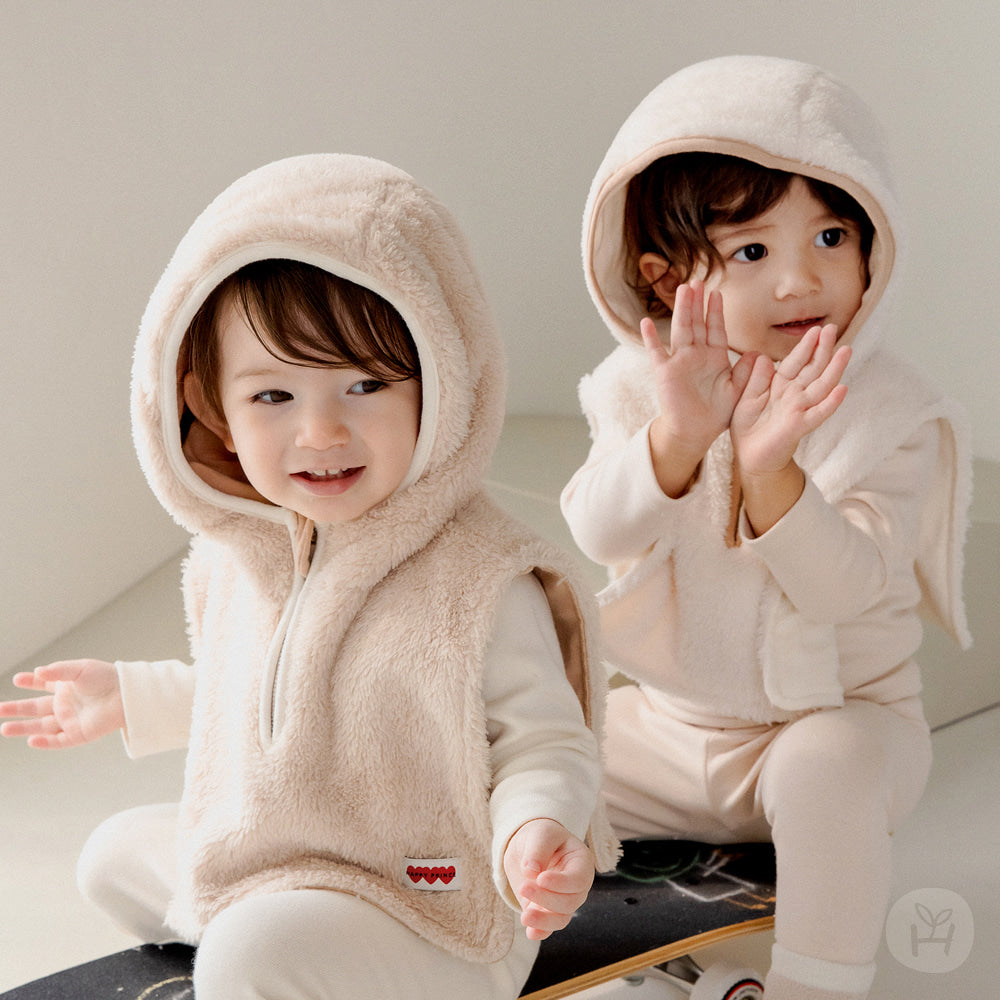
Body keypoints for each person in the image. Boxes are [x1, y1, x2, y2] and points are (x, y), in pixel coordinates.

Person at [1, 154, 618, 1000]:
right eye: (274, 397)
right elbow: (266, 696)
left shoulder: (479, 578)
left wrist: (532, 832)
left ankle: (272, 958)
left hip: (433, 903)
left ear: (440, 385)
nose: (322, 432)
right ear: (212, 408)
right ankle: (274, 940)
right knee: (112, 857)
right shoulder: (241, 557)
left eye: (364, 384)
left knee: (245, 955)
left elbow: (544, 741)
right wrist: (131, 696)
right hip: (295, 856)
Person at [560, 56, 971, 1000]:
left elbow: (847, 585)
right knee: (529, 748)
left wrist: (772, 468)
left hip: (840, 727)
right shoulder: (639, 388)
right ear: (667, 280)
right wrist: (678, 437)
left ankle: (813, 984)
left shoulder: (886, 410)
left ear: (874, 247)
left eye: (831, 235)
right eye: (751, 252)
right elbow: (599, 532)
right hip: (672, 733)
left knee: (829, 767)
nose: (800, 279)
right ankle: (532, 918)